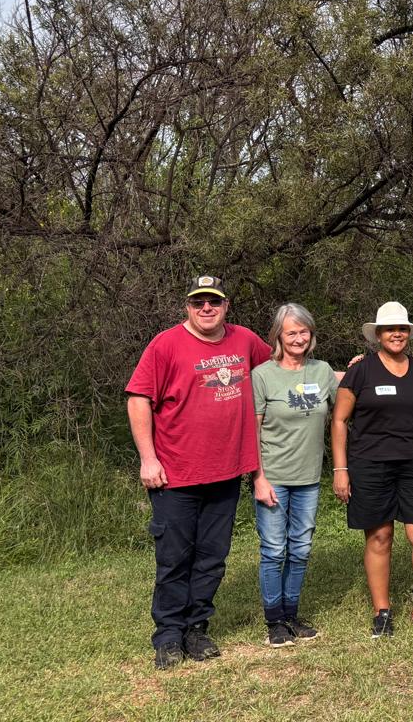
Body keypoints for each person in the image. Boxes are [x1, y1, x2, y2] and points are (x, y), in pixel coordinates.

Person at [126, 274, 272, 670]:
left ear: (226, 306)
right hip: (175, 475)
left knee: (212, 557)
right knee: (175, 558)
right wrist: (148, 458)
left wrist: (350, 374)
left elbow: (283, 369)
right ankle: (169, 635)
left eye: (214, 301)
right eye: (198, 302)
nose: (206, 308)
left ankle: (196, 628)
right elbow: (139, 399)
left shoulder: (245, 340)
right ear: (187, 307)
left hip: (226, 472)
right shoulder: (165, 344)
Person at [332, 302, 413, 640]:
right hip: (370, 465)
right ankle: (382, 613)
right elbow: (340, 420)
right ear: (378, 334)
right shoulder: (361, 371)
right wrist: (340, 468)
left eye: (402, 328)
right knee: (379, 537)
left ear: (409, 333)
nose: (397, 334)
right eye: (390, 329)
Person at [251, 303, 339, 647]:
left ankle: (291, 614)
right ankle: (274, 621)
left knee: (301, 549)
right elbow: (252, 432)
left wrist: (364, 367)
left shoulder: (321, 371)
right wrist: (258, 478)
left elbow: (347, 397)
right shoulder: (263, 375)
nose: (299, 338)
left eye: (304, 331)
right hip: (273, 476)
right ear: (279, 336)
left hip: (308, 478)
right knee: (274, 550)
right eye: (291, 332)